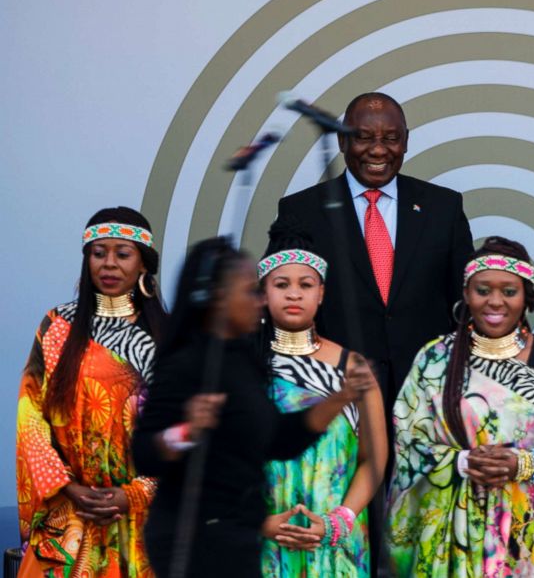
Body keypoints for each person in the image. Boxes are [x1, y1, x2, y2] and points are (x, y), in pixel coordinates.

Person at [132, 237, 377, 577]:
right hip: (192, 538)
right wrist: (186, 431)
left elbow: (280, 440)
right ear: (218, 298)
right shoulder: (185, 363)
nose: (260, 300)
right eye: (250, 291)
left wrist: (340, 397)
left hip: (237, 538)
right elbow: (144, 454)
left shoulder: (244, 363)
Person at [387, 237, 534, 576]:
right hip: (454, 527)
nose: (495, 301)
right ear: (466, 295)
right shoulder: (435, 358)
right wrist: (464, 462)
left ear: (527, 297)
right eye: (483, 290)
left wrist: (521, 464)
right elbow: (408, 440)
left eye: (509, 292)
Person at [273, 91, 474, 411]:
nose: (378, 149)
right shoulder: (302, 211)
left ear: (406, 141)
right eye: (363, 137)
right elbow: (282, 305)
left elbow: (464, 303)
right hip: (334, 391)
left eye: (391, 138)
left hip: (426, 395)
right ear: (341, 142)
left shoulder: (443, 207)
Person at [16, 207, 167, 577]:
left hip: (145, 523)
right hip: (70, 516)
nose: (109, 264)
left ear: (144, 263)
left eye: (122, 253)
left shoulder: (170, 336)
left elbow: (189, 431)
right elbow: (30, 413)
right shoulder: (57, 326)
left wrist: (135, 493)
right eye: (99, 253)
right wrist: (67, 487)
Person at [258, 221, 388, 576]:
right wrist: (260, 522)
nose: (294, 294)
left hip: (336, 546)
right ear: (263, 293)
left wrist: (339, 522)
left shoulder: (352, 366)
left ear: (322, 294)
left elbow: (374, 459)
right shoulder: (243, 364)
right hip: (262, 543)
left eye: (305, 285)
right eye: (281, 285)